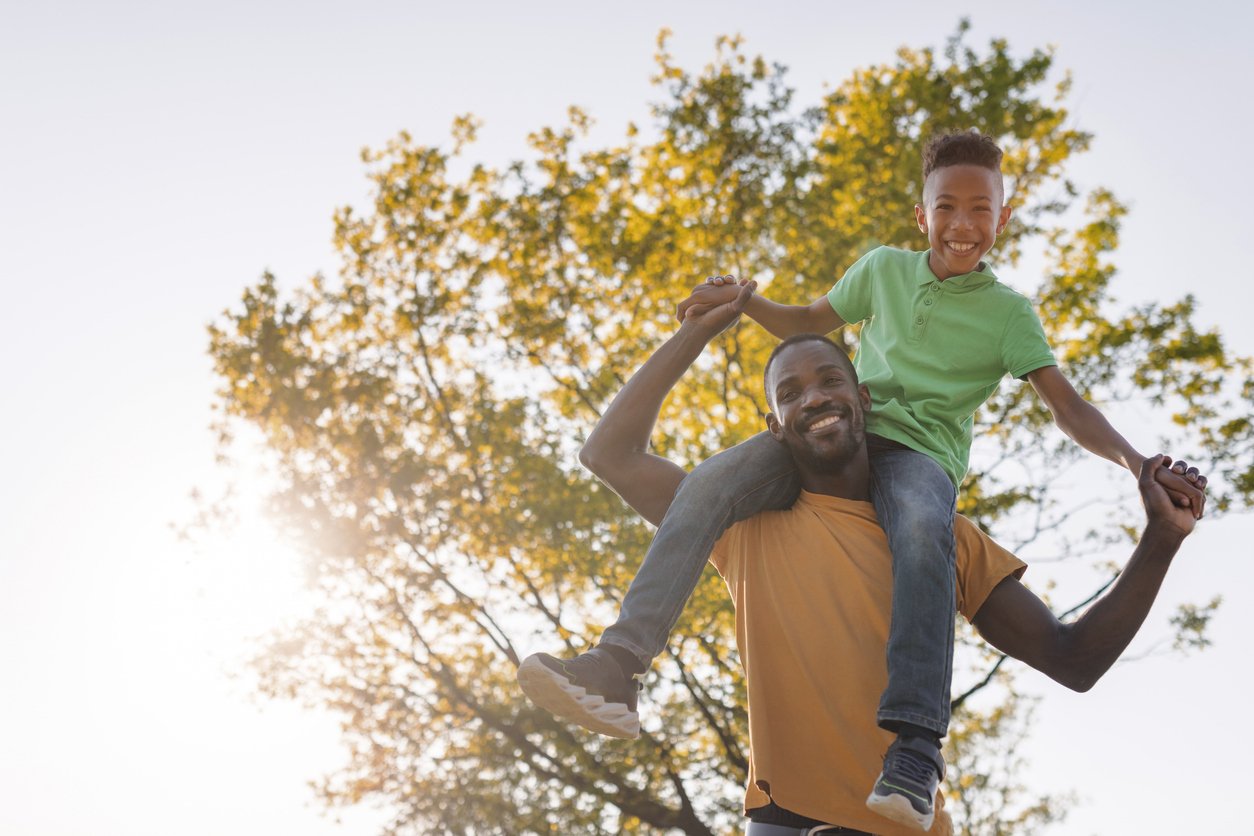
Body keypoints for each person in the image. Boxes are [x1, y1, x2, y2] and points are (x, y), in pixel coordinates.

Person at [516, 131, 1207, 829]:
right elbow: (790, 331)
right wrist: (721, 315)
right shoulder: (750, 522)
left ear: (1003, 219)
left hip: (919, 468)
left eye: (980, 210)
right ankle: (618, 663)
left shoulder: (945, 526)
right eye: (946, 207)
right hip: (781, 818)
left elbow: (1068, 420)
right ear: (921, 215)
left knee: (915, 530)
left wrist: (1146, 491)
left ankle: (914, 747)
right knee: (709, 483)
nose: (962, 225)